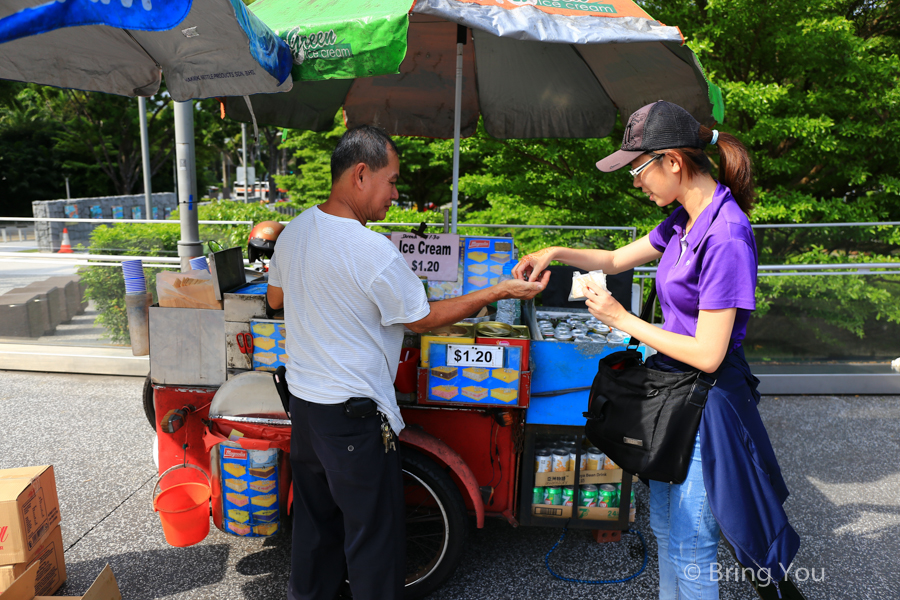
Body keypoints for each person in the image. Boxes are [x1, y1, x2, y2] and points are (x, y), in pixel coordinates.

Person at [513, 101, 800, 600]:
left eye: (638, 168)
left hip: (705, 410)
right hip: (673, 401)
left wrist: (624, 321)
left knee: (692, 550)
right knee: (669, 536)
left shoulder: (726, 233)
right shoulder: (684, 222)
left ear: (672, 161)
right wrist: (554, 253)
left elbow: (709, 353)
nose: (635, 181)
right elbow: (615, 258)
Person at [266, 125, 547, 600]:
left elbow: (275, 298)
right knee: (374, 542)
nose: (396, 194)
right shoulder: (371, 249)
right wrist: (497, 290)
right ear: (360, 174)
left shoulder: (294, 232)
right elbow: (424, 319)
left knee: (315, 532)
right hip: (353, 421)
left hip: (306, 411)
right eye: (392, 181)